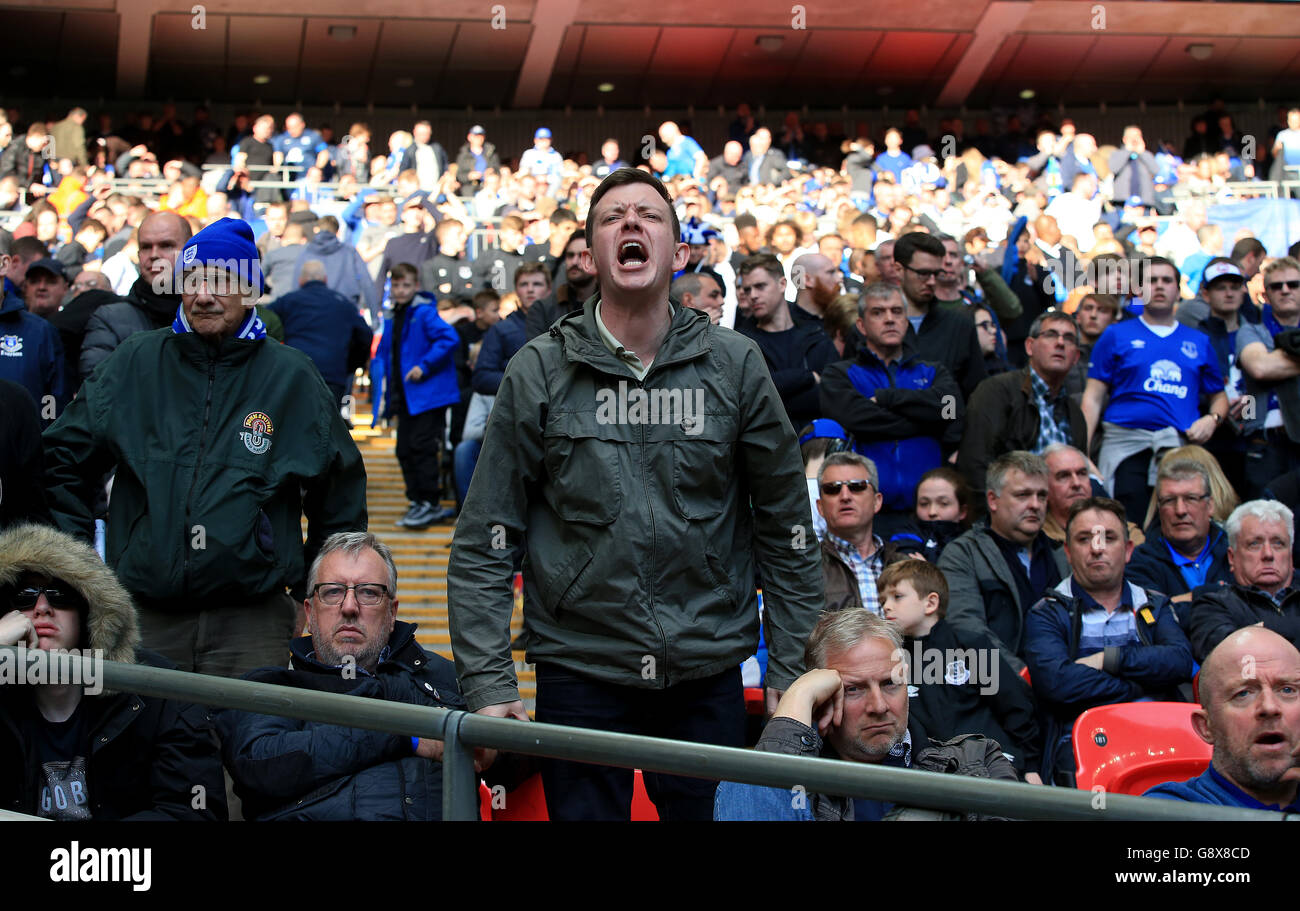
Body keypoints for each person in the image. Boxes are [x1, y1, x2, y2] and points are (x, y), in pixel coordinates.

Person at [447, 168, 824, 821]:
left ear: (679, 255)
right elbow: (486, 538)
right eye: (612, 216)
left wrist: (790, 673)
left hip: (706, 669)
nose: (630, 223)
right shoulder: (538, 369)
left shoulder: (735, 365)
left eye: (649, 215)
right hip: (581, 668)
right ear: (589, 255)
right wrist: (487, 682)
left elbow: (787, 533)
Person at [42, 218, 368, 678]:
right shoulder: (137, 361)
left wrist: (316, 596)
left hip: (253, 622)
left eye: (222, 280)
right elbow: (60, 457)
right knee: (143, 744)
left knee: (251, 746)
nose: (204, 294)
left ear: (251, 290)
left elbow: (340, 495)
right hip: (143, 616)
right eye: (192, 280)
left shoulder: (291, 376)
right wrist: (81, 560)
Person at [217, 532, 469, 820]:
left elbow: (507, 759)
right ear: (309, 613)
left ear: (391, 613)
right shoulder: (272, 688)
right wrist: (401, 733)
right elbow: (261, 766)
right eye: (333, 591)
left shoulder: (438, 676)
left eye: (369, 592)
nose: (349, 607)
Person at [0, 522, 227, 820]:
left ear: (89, 609)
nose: (42, 607)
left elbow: (194, 812)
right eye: (26, 594)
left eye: (60, 593)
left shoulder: (157, 691)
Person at [713, 609, 1019, 821]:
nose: (879, 706)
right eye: (854, 689)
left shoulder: (975, 759)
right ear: (823, 697)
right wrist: (798, 696)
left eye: (890, 683)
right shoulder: (796, 788)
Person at [1024, 497, 1194, 783]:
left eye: (1109, 538)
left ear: (1128, 550)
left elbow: (1179, 661)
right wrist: (1140, 683)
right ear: (1067, 551)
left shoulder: (1154, 605)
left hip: (1160, 739)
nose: (1097, 548)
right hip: (1081, 745)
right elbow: (1058, 684)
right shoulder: (1047, 612)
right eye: (1084, 538)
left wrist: (1110, 659)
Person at [1083, 256, 1227, 522]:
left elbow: (1219, 396)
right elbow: (1092, 397)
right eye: (1151, 280)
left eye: (1167, 280)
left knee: (1181, 523)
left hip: (1179, 447)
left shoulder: (1199, 341)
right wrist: (1083, 451)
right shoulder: (1115, 335)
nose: (1159, 286)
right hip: (1125, 445)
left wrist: (1213, 419)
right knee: (1123, 524)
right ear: (1138, 290)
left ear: (1178, 289)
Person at [881, 559, 1042, 780]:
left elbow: (1014, 705)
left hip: (990, 762)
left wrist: (1031, 766)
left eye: (897, 597)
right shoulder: (894, 658)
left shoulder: (969, 644)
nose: (886, 606)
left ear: (930, 603)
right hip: (931, 771)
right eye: (883, 600)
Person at [820, 282, 962, 513]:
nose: (889, 319)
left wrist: (887, 398)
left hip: (929, 509)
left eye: (897, 312)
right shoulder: (839, 374)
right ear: (861, 325)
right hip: (865, 509)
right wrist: (927, 421)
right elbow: (855, 420)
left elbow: (950, 411)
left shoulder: (933, 371)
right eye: (878, 312)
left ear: (906, 321)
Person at [939, 451, 1069, 673]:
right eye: (1023, 495)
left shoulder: (1062, 554)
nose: (1035, 505)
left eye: (1041, 495)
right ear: (993, 500)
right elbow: (968, 630)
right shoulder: (962, 555)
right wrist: (1023, 676)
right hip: (998, 692)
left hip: (1066, 682)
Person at [1144, 627, 1300, 812]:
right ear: (1205, 727)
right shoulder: (1169, 809)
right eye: (1243, 694)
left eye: (1287, 690)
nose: (1269, 707)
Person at [958, 312, 1087, 501]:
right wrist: (990, 522)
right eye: (1050, 335)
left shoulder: (1075, 414)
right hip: (1006, 514)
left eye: (1068, 338)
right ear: (1029, 346)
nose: (1060, 343)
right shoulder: (997, 391)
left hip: (1060, 518)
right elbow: (974, 464)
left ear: (1075, 357)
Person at [372, 263, 459, 529]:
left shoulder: (423, 313)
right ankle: (417, 500)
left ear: (416, 286)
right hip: (405, 397)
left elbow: (449, 337)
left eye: (406, 285)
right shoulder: (392, 315)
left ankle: (429, 502)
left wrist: (425, 365)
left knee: (422, 448)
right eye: (396, 285)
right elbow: (387, 353)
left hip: (426, 396)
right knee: (404, 449)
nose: (400, 290)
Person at [78, 211, 190, 381]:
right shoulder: (109, 318)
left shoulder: (209, 316)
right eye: (145, 247)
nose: (154, 255)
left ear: (190, 252)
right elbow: (97, 387)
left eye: (166, 245)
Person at [1187, 500, 1300, 662]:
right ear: (1232, 558)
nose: (1268, 554)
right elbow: (1229, 657)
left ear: (1290, 557)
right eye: (1255, 544)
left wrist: (1254, 632)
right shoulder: (1212, 606)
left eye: (1278, 543)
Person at [736, 253, 838, 430]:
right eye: (747, 289)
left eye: (760, 286)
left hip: (819, 442)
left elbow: (834, 394)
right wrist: (806, 377)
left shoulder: (815, 331)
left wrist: (781, 389)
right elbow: (751, 398)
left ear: (782, 284)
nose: (752, 295)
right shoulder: (740, 342)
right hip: (770, 446)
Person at [268, 259, 374, 409]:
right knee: (326, 426)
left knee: (295, 423)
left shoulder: (288, 301)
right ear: (325, 279)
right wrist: (351, 365)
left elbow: (265, 321)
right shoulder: (343, 303)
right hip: (332, 376)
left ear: (301, 280)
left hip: (295, 372)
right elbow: (365, 334)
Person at [894, 232, 986, 401]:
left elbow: (974, 393)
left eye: (936, 274)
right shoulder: (874, 326)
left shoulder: (959, 326)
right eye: (923, 273)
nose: (931, 281)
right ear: (899, 270)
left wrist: (952, 424)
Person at [1126, 458, 1232, 606]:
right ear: (1159, 508)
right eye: (1169, 500)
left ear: (1210, 506)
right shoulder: (1138, 562)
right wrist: (1211, 593)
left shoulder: (1235, 553)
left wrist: (1176, 602)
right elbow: (1152, 617)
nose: (1180, 510)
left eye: (1191, 498)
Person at [818, 453, 905, 613]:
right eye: (832, 489)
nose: (845, 496)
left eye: (857, 486)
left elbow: (926, 633)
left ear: (877, 501)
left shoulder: (907, 566)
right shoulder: (805, 568)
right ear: (820, 507)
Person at [473, 261, 549, 395]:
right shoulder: (501, 329)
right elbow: (482, 377)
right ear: (516, 290)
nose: (530, 289)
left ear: (548, 290)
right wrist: (524, 383)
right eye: (524, 284)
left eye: (537, 284)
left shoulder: (561, 325)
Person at [525, 229, 598, 339]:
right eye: (570, 255)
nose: (574, 262)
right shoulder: (542, 309)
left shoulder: (609, 307)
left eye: (582, 256)